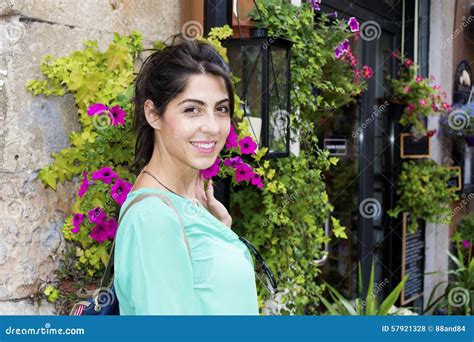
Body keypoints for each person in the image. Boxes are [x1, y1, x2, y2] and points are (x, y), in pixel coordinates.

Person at [113, 35, 259, 315]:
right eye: (192, 110)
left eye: (221, 109)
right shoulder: (153, 218)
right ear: (153, 114)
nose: (212, 127)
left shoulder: (185, 204)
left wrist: (220, 229)